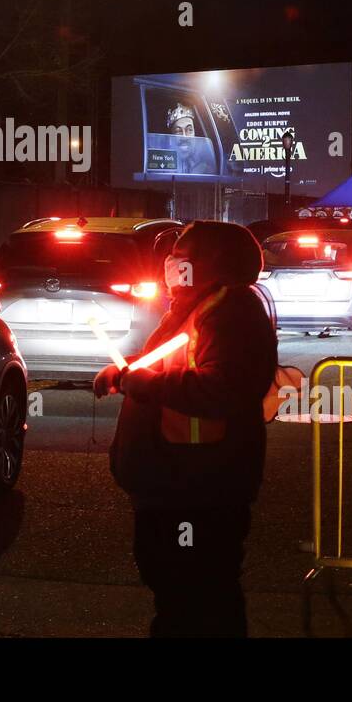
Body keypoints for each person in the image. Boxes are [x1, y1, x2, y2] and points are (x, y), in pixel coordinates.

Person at [95, 220, 277, 638]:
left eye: (182, 251)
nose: (171, 260)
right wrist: (124, 371)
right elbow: (166, 362)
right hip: (175, 485)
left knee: (197, 596)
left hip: (198, 490)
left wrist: (140, 382)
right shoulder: (197, 305)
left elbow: (224, 388)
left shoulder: (230, 312)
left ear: (210, 262)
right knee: (178, 590)